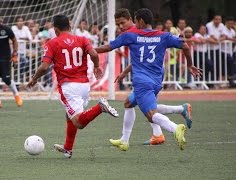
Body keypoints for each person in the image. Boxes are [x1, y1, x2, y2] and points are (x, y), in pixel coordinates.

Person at [96, 8, 202, 151]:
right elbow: (184, 45)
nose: (121, 26)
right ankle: (124, 140)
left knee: (151, 115)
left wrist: (89, 50)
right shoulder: (163, 36)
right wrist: (190, 65)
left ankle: (175, 128)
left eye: (132, 20)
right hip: (156, 81)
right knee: (128, 103)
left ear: (139, 21)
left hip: (142, 82)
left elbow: (108, 47)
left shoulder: (130, 35)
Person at [27, 14, 119, 158]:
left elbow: (44, 67)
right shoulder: (82, 39)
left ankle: (100, 107)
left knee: (78, 122)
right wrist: (96, 67)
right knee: (69, 115)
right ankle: (68, 149)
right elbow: (94, 53)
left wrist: (34, 79)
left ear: (56, 29)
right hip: (84, 85)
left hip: (68, 86)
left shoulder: (52, 43)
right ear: (70, 26)